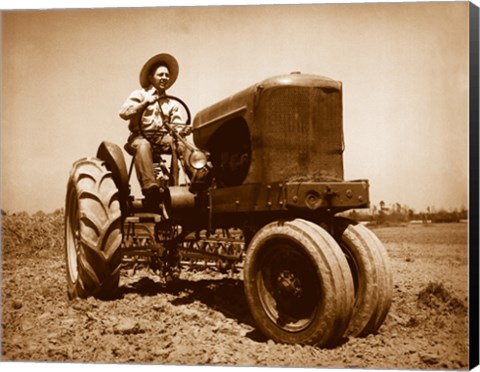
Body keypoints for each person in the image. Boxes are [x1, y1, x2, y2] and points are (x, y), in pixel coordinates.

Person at [119, 53, 184, 206]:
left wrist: (181, 131)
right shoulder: (139, 95)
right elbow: (123, 113)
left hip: (162, 138)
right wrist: (144, 104)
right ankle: (150, 189)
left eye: (167, 75)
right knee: (143, 145)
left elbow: (178, 124)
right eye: (160, 74)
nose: (164, 77)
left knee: (181, 143)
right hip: (141, 137)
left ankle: (195, 180)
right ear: (150, 77)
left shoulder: (171, 102)